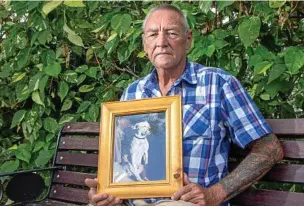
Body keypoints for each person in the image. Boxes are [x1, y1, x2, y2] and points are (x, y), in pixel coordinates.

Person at [85, 4, 283, 206]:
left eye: (171, 33)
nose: (161, 42)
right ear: (145, 44)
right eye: (153, 35)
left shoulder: (218, 84)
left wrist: (216, 193)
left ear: (188, 40)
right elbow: (121, 160)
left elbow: (270, 149)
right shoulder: (133, 93)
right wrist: (105, 191)